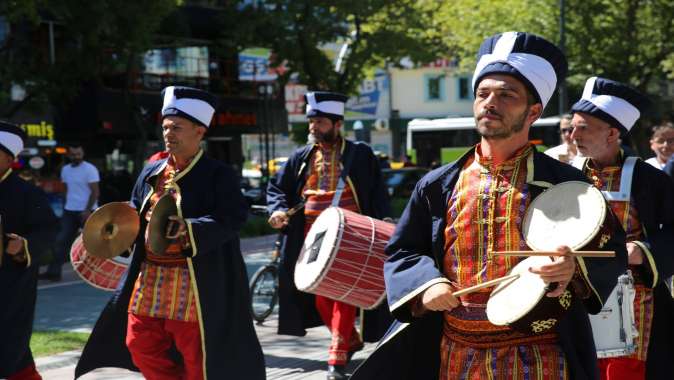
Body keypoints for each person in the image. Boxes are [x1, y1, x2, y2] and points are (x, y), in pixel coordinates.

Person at [352, 31, 628, 380]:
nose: (490, 102)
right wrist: (428, 284)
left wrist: (572, 269)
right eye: (483, 94)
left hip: (540, 352)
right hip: (456, 353)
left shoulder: (568, 185)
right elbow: (404, 250)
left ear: (534, 111)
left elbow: (612, 251)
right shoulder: (438, 185)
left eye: (506, 95)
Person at [75, 86, 265, 380]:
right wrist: (115, 232)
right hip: (149, 276)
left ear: (199, 132)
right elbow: (136, 211)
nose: (168, 134)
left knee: (196, 355)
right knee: (139, 344)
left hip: (194, 280)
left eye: (177, 127)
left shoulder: (218, 174)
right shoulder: (151, 172)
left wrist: (190, 229)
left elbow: (233, 218)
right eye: (165, 127)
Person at [267, 91, 390, 379]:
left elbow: (377, 190)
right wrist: (277, 210)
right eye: (311, 122)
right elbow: (277, 189)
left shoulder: (360, 153)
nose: (313, 127)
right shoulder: (301, 155)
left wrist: (383, 220)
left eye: (319, 122)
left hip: (351, 232)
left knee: (342, 292)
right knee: (321, 295)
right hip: (310, 233)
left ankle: (335, 361)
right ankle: (352, 341)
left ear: (337, 124)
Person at [568, 77, 674, 380]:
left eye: (583, 127)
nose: (573, 135)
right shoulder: (562, 176)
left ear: (613, 133)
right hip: (573, 297)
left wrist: (644, 251)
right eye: (573, 126)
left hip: (634, 305)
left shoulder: (650, 180)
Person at [0, 121, 58, 380]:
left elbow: (47, 233)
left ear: (8, 158)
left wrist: (22, 246)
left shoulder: (27, 193)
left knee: (10, 345)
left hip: (10, 284)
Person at [40, 143, 100, 281]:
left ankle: (98, 273)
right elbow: (66, 189)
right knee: (61, 241)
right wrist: (65, 205)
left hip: (87, 210)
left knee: (92, 243)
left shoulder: (90, 169)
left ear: (83, 154)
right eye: (73, 154)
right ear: (69, 155)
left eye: (79, 154)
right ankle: (54, 272)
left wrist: (87, 210)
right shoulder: (66, 170)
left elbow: (95, 192)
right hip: (70, 210)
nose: (76, 157)